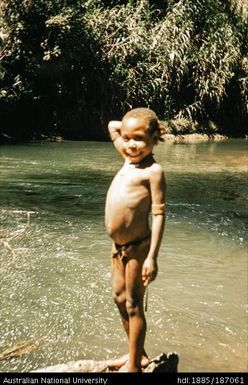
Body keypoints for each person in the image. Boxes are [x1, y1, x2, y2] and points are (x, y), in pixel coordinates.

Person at [105, 107, 166, 372]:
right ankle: (137, 354)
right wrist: (134, 126)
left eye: (140, 139)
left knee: (133, 304)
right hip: (117, 247)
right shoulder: (127, 159)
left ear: (155, 138)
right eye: (127, 138)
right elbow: (112, 125)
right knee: (119, 298)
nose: (131, 145)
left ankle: (135, 368)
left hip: (139, 247)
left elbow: (159, 215)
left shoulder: (153, 171)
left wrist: (152, 257)